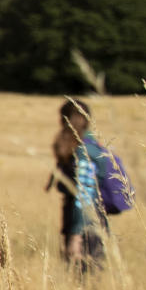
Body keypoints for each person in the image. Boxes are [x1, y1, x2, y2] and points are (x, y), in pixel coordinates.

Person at [46, 99, 106, 271]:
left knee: (84, 284)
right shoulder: (92, 146)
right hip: (88, 225)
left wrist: (75, 236)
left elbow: (84, 196)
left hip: (86, 229)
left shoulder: (84, 151)